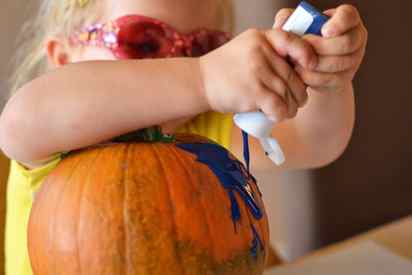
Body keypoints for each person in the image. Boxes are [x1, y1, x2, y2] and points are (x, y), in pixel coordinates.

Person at [0, 0, 367, 274]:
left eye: (203, 48)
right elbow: (19, 121)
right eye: (144, 43)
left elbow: (315, 141)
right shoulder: (51, 141)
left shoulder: (198, 128)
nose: (178, 61)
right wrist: (202, 77)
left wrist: (325, 76)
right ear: (63, 57)